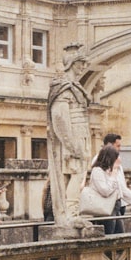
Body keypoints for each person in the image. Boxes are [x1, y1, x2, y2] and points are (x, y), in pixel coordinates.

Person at [47, 44, 91, 229]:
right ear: (72, 63)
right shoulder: (63, 87)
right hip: (72, 138)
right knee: (75, 173)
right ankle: (70, 214)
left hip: (81, 134)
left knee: (75, 174)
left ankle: (69, 213)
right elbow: (59, 118)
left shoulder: (74, 87)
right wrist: (71, 144)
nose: (82, 67)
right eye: (80, 63)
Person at [98, 133, 131, 231]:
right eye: (118, 146)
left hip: (118, 204)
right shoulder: (101, 163)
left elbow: (122, 188)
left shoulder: (116, 162)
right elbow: (110, 188)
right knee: (112, 238)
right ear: (109, 146)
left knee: (119, 236)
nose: (120, 149)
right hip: (107, 207)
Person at [88, 144, 128, 235]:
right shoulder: (97, 171)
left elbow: (123, 191)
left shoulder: (111, 171)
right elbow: (105, 191)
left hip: (115, 208)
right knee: (109, 236)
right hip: (104, 210)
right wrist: (113, 174)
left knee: (121, 236)